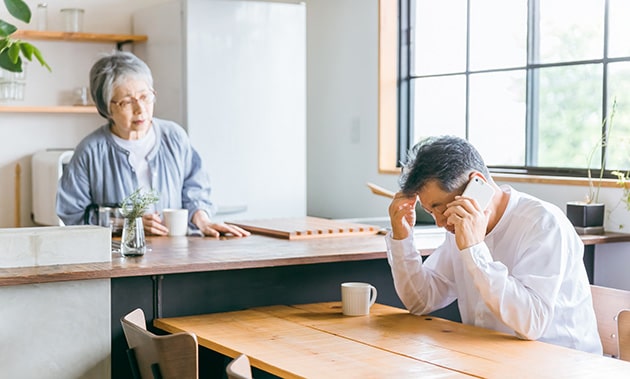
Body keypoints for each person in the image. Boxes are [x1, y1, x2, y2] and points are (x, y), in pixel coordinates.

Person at [386, 135, 602, 354]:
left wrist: (474, 250)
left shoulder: (544, 223)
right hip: (491, 361)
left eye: (440, 207)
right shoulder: (458, 224)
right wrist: (402, 238)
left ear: (475, 184)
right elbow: (422, 301)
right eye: (431, 212)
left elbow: (532, 323)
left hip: (562, 364)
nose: (440, 222)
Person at [56, 51, 250, 238]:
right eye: (127, 102)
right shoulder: (91, 151)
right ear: (106, 107)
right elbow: (72, 214)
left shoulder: (174, 137)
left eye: (145, 96)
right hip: (119, 260)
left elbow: (195, 187)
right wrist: (128, 223)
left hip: (175, 254)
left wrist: (201, 219)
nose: (140, 109)